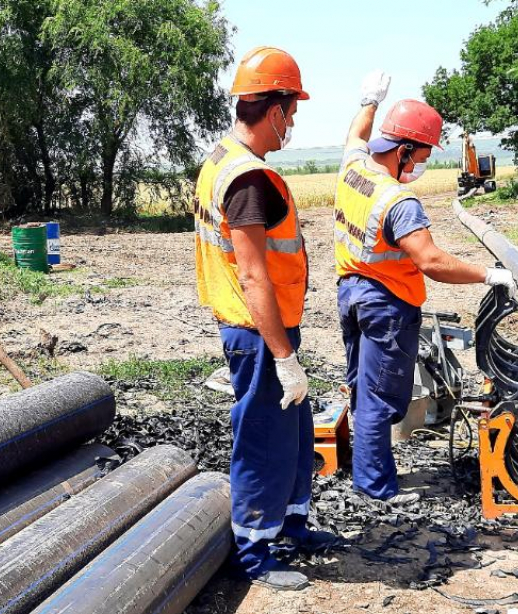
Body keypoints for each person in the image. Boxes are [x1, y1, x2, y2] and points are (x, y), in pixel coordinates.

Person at [333, 71, 517, 504]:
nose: (421, 164)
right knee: (382, 400)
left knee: (364, 389)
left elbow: (356, 134)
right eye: (421, 155)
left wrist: (369, 101)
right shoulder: (398, 201)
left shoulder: (354, 168)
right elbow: (430, 260)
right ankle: (375, 487)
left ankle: (368, 470)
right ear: (404, 150)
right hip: (385, 303)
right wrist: (487, 274)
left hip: (351, 294)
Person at [194, 46, 333, 592]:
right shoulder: (249, 180)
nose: (292, 123)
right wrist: (283, 357)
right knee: (261, 437)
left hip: (268, 328)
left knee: (294, 434)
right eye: (291, 111)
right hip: (257, 332)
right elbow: (254, 276)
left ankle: (294, 524)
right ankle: (253, 550)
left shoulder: (221, 158)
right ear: (273, 109)